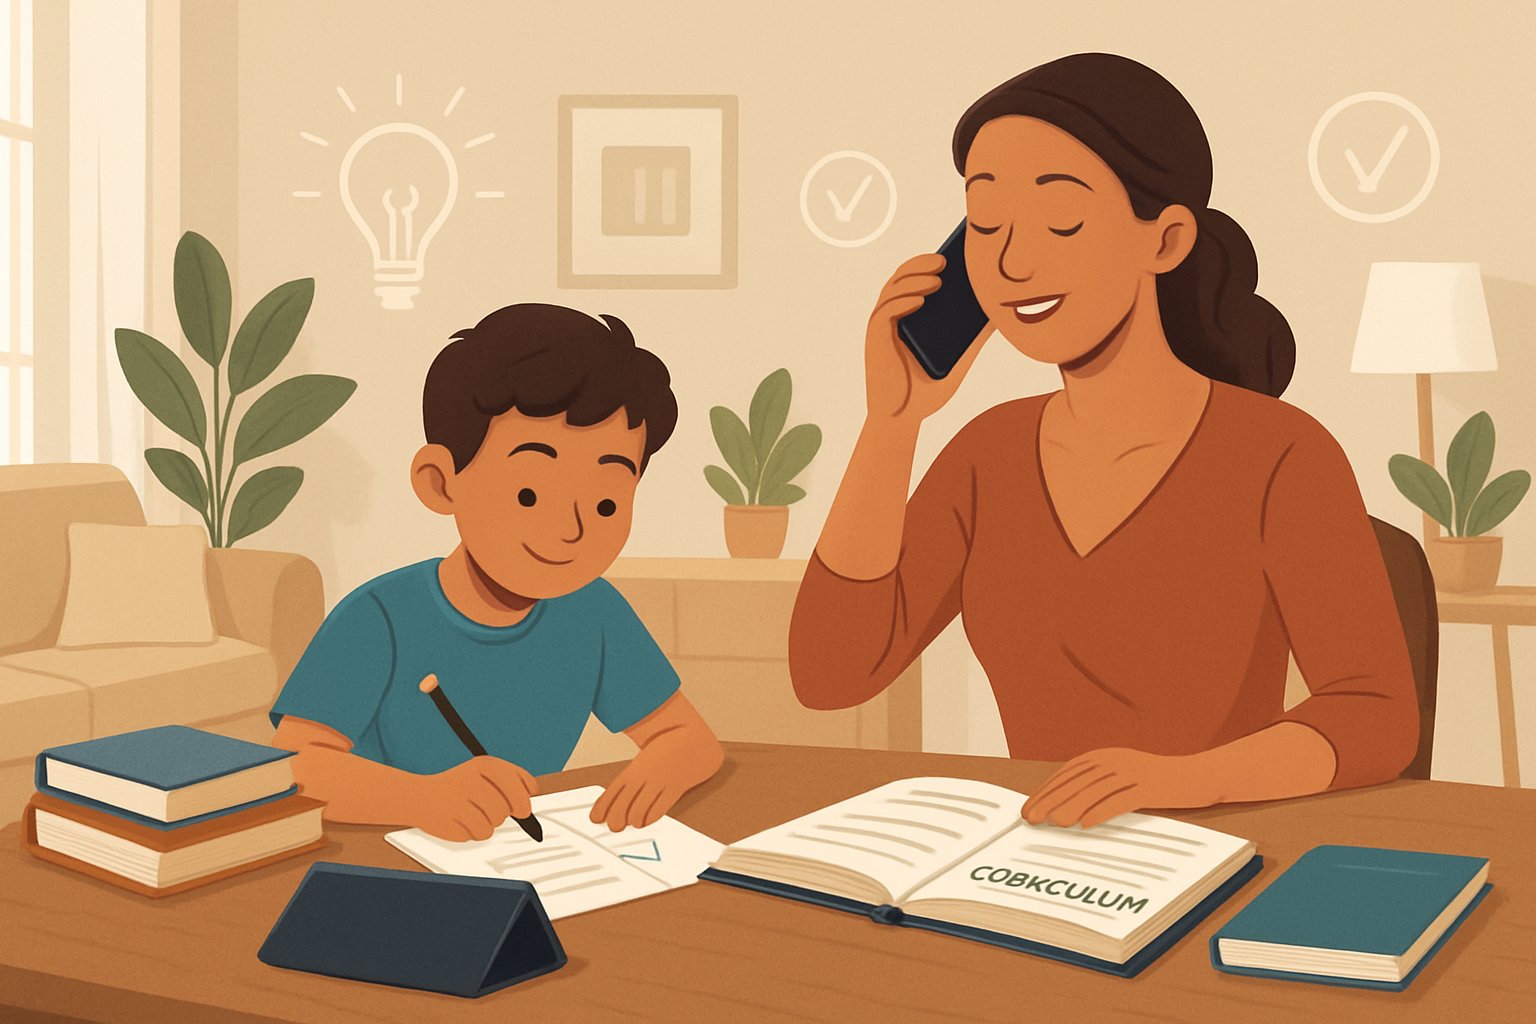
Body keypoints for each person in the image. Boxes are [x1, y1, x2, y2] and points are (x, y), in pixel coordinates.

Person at [789, 53, 1419, 829]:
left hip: (1216, 848)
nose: (1013, 261)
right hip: (1040, 861)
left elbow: (1376, 717)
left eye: (1061, 220)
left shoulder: (1282, 455)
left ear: (1166, 240)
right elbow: (830, 673)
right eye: (985, 224)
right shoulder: (988, 456)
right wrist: (891, 424)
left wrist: (1187, 781)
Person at [271, 303, 723, 839]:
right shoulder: (379, 619)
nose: (571, 530)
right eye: (530, 493)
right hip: (381, 855)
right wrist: (422, 798)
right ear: (441, 482)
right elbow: (291, 770)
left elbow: (690, 738)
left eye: (605, 502)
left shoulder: (592, 612)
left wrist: (665, 764)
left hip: (513, 854)